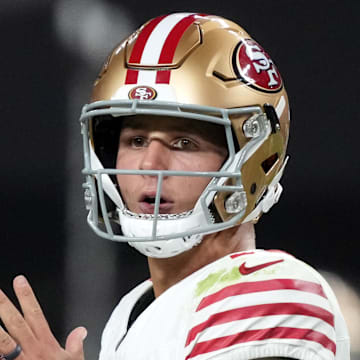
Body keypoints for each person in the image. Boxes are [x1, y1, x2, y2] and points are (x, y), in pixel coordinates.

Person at [0, 12, 350, 360]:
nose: (150, 165)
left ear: (254, 157)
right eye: (136, 140)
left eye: (184, 143)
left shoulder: (272, 295)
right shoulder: (131, 314)